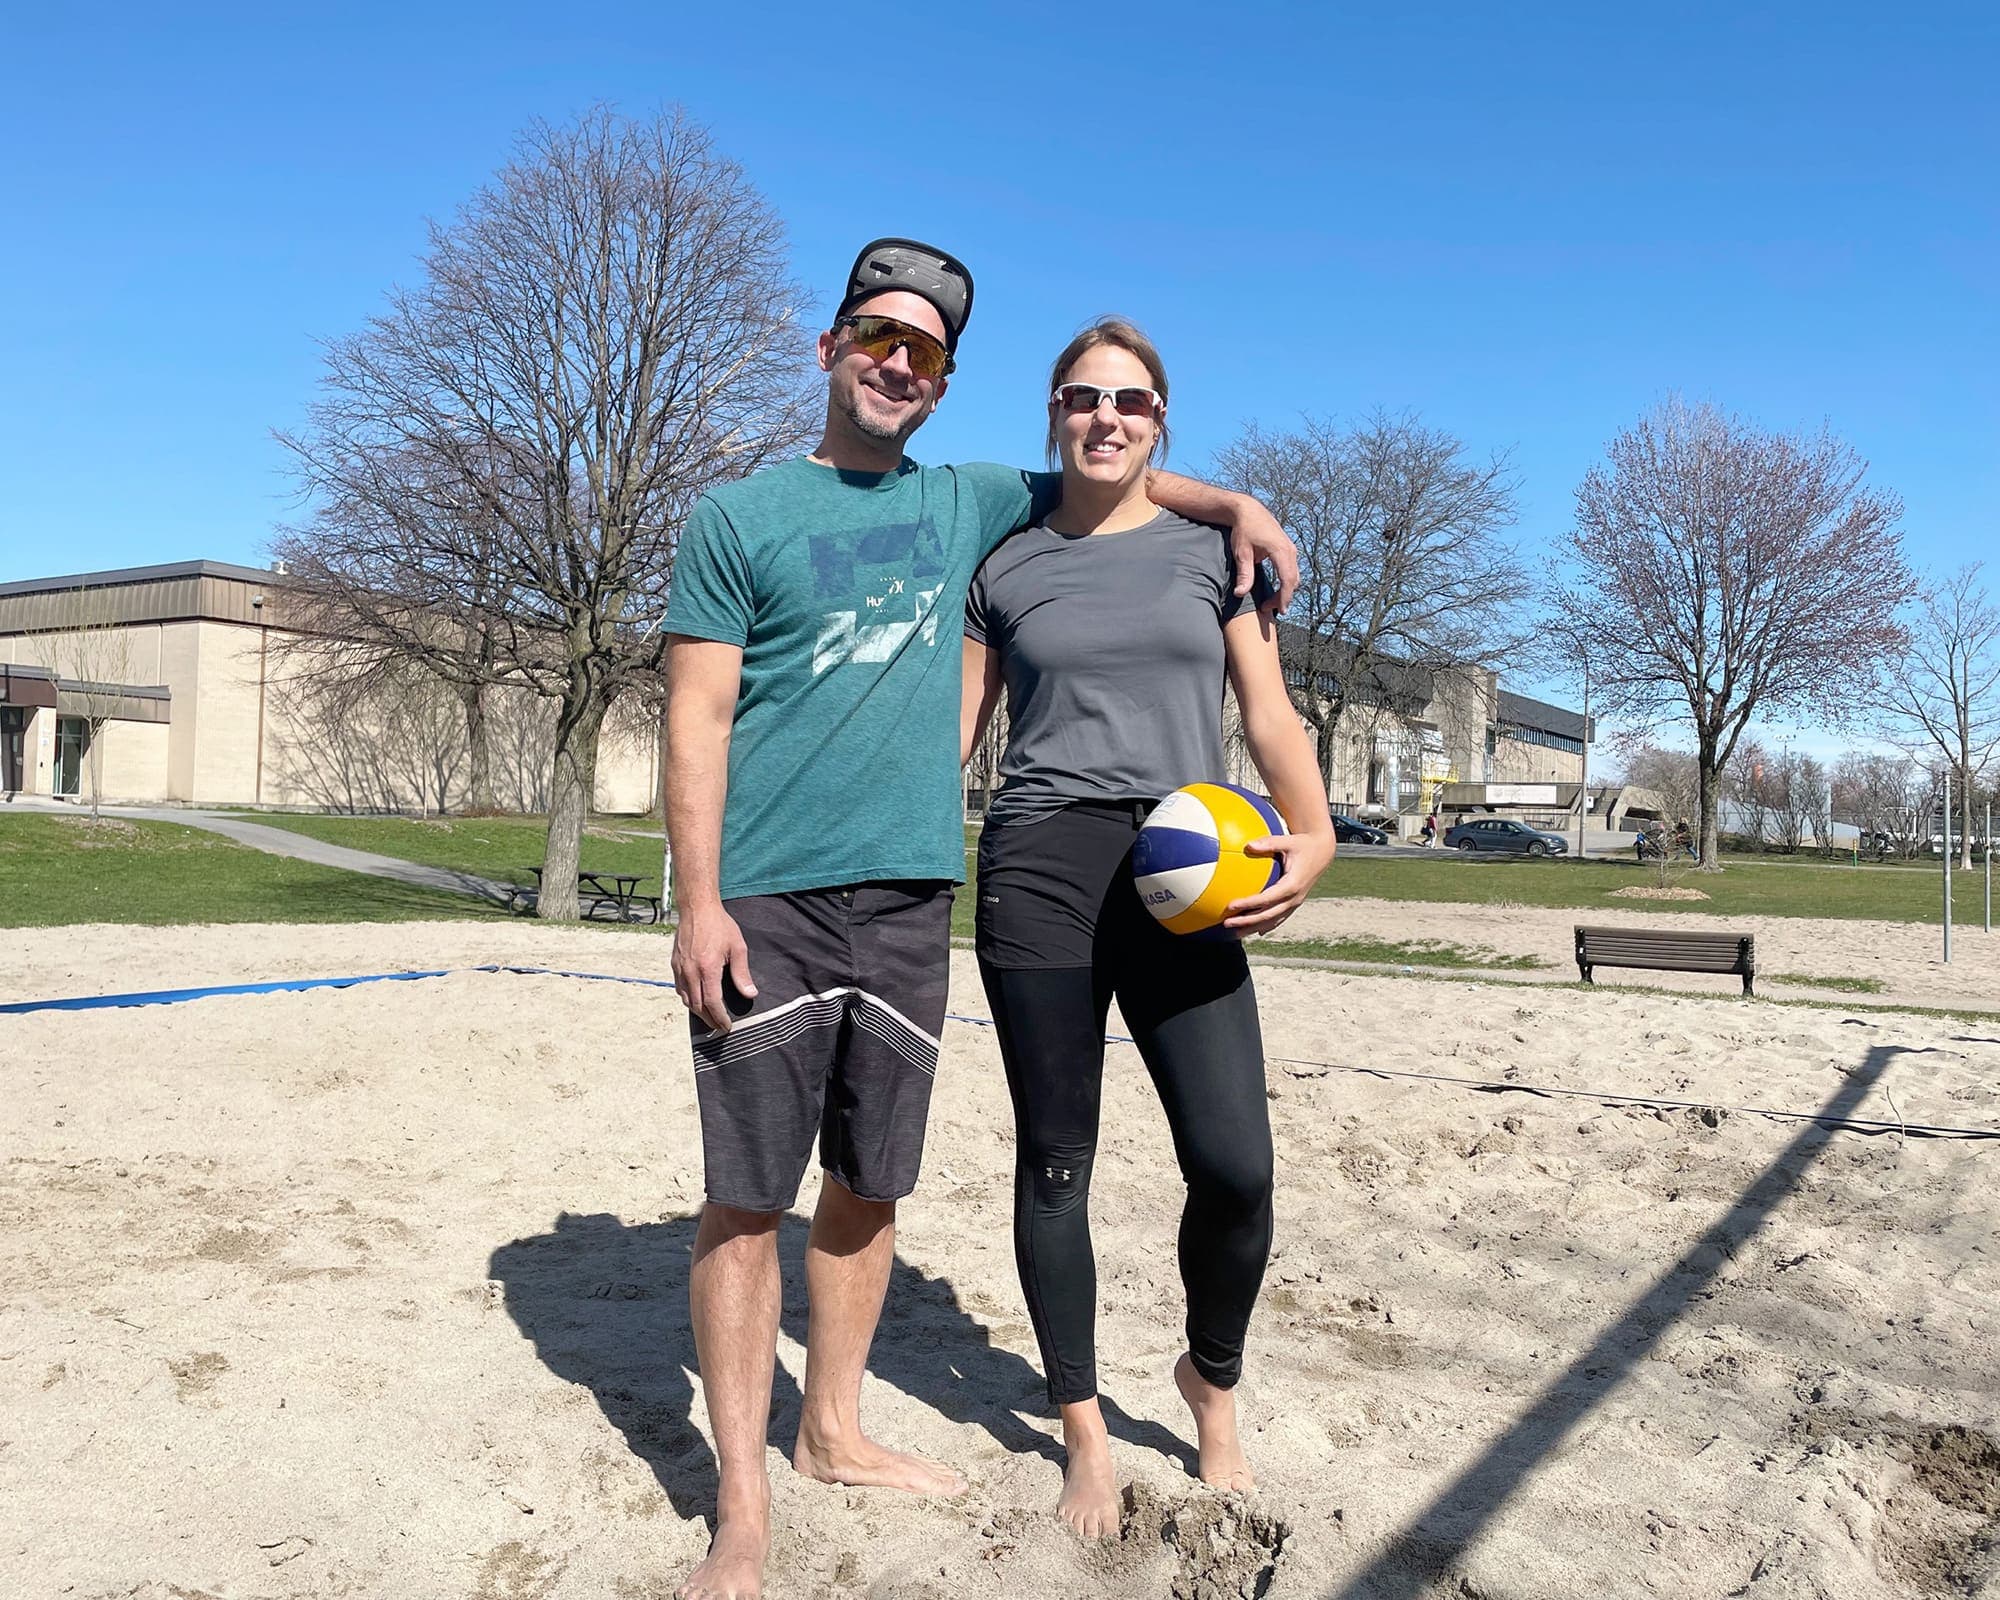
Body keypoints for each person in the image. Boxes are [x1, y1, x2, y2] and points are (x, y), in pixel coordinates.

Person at [661, 242, 1298, 1600]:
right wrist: (698, 899)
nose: (898, 362)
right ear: (828, 346)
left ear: (946, 384)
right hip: (778, 889)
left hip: (909, 894)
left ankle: (833, 1430)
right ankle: (743, 1507)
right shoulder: (738, 517)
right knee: (747, 1194)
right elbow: (696, 716)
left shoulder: (966, 504)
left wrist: (1236, 501)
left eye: (926, 351)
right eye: (876, 336)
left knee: (872, 1179)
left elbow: (1112, 478)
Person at [959, 318, 1336, 1538]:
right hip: (1040, 863)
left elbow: (1267, 714)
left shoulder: (1215, 554)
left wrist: (1316, 832)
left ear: (1158, 420)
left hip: (1189, 866)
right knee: (1054, 1160)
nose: (1104, 416)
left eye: (1127, 400)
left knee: (1235, 1167)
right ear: (1053, 411)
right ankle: (1081, 1428)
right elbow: (953, 738)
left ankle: (1207, 1378)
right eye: (1082, 396)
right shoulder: (1003, 562)